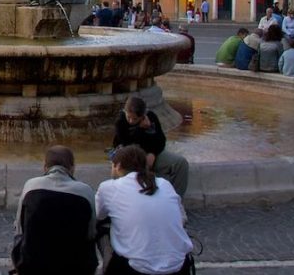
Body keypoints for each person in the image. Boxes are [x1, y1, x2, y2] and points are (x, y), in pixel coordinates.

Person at [96, 145, 193, 275]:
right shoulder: (164, 184)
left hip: (137, 269)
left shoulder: (108, 187)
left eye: (112, 165)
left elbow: (98, 215)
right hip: (179, 266)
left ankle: (104, 267)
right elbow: (182, 219)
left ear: (117, 165)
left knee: (100, 228)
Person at [12, 146, 97, 275]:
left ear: (45, 167)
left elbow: (19, 227)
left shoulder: (31, 186)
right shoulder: (85, 191)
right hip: (74, 266)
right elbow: (91, 233)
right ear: (72, 168)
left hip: (33, 265)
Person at [111, 96, 189, 197]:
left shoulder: (151, 117)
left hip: (151, 153)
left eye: (135, 119)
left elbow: (161, 141)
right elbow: (126, 142)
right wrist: (140, 128)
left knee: (181, 163)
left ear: (142, 115)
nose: (130, 121)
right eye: (128, 117)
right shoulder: (121, 121)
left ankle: (176, 199)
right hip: (131, 156)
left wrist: (152, 153)